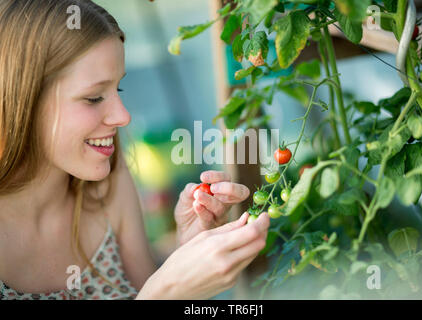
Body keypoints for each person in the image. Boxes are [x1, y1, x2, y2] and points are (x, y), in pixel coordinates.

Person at [0, 0, 270, 300]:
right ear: (24, 101)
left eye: (118, 89)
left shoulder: (108, 183)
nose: (123, 116)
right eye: (93, 97)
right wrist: (166, 290)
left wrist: (186, 252)